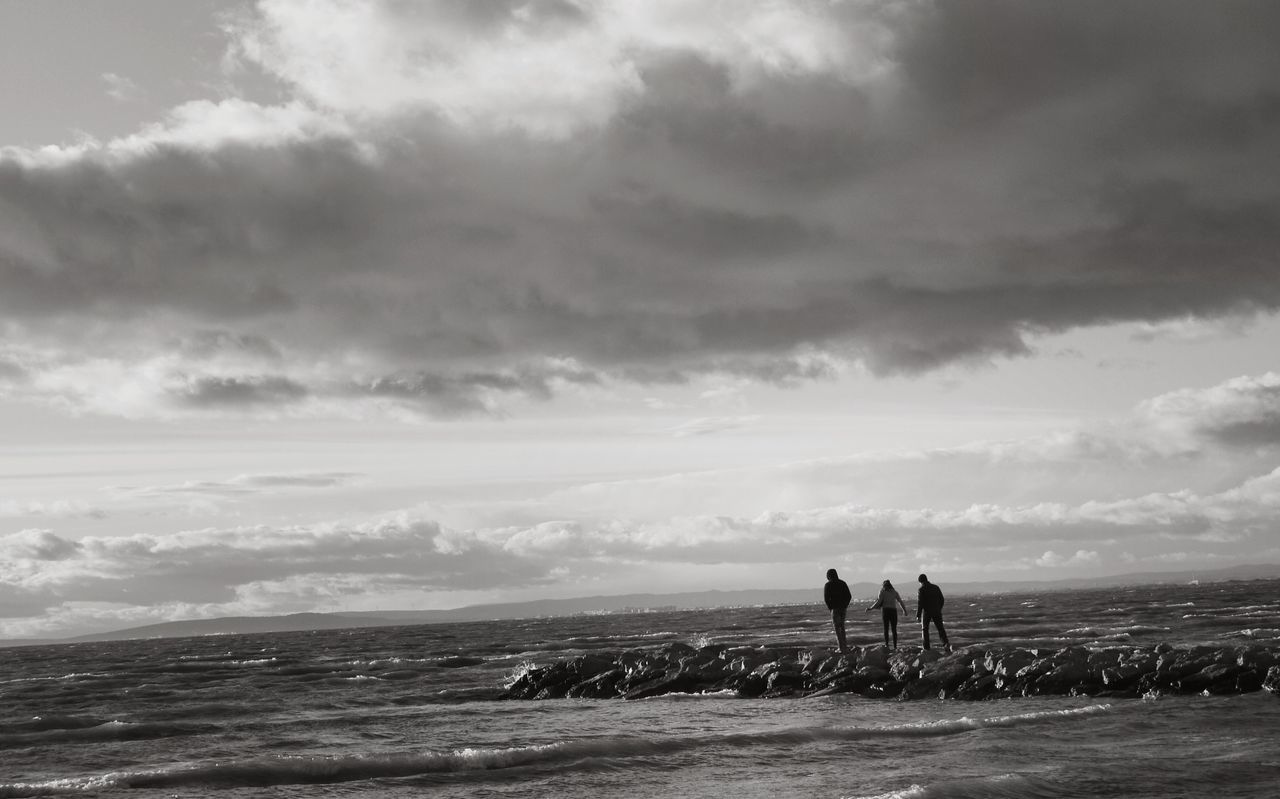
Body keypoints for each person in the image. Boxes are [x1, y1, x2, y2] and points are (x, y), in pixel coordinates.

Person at [865, 579, 909, 650]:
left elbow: (878, 602)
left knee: (886, 629)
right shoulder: (894, 592)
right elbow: (900, 602)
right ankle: (895, 646)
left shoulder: (882, 592)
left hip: (886, 611)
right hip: (893, 611)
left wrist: (870, 608)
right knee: (894, 629)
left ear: (884, 586)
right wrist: (904, 610)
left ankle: (887, 645)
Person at [916, 573, 951, 652]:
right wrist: (939, 608)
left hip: (927, 611)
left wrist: (918, 615)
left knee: (925, 629)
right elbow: (942, 599)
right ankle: (945, 644)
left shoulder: (921, 589)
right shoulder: (936, 587)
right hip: (936, 610)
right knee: (940, 628)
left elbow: (920, 603)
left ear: (920, 582)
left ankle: (926, 647)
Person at [823, 568, 852, 654]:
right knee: (842, 627)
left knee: (837, 628)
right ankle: (845, 646)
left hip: (835, 608)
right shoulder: (842, 583)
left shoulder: (828, 585)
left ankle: (840, 647)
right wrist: (845, 605)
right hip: (843, 608)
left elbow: (826, 598)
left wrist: (830, 608)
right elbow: (849, 596)